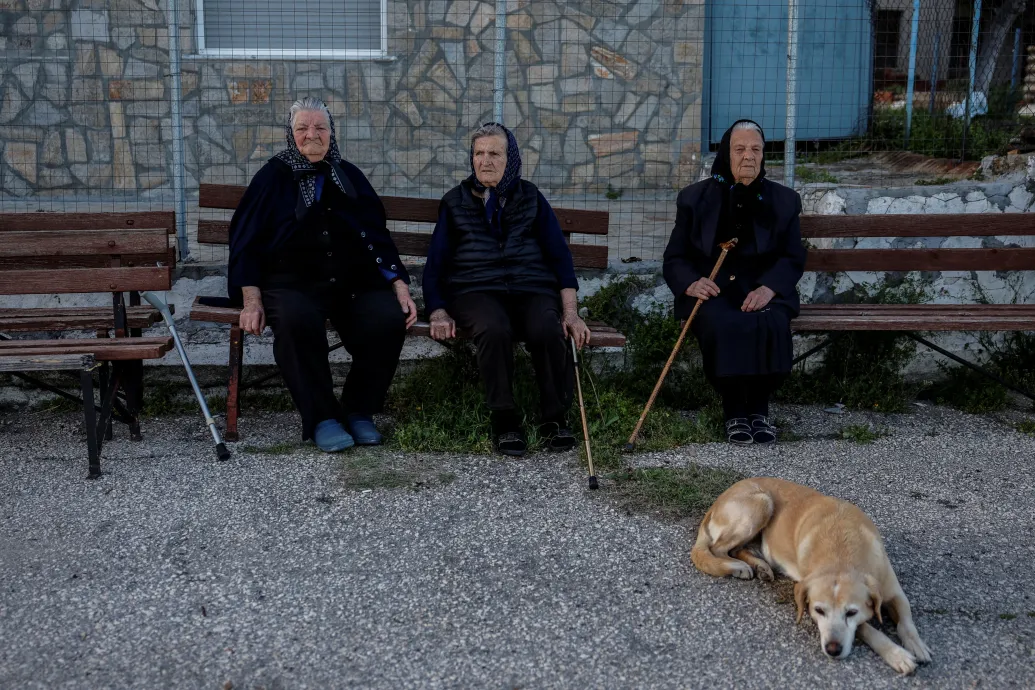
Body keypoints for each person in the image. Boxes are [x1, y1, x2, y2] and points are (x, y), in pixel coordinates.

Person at [227, 97, 417, 452]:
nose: (311, 135)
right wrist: (251, 299)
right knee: (297, 322)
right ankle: (321, 417)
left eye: (320, 128)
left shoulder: (348, 175)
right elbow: (245, 243)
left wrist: (399, 284)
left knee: (389, 319)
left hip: (351, 283)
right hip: (291, 284)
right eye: (302, 128)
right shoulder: (272, 177)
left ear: (332, 133)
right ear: (291, 134)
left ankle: (359, 410)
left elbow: (377, 235)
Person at [422, 122, 591, 456]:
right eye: (479, 153)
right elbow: (435, 265)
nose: (485, 161)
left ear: (510, 158)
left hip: (531, 288)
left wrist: (570, 312)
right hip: (475, 290)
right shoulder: (454, 202)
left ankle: (554, 419)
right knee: (493, 327)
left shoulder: (531, 198)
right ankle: (505, 419)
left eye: (494, 153)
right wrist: (438, 310)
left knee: (546, 327)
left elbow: (560, 258)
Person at [663, 119, 807, 446]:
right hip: (714, 294)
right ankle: (734, 412)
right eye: (740, 149)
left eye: (756, 149)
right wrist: (691, 284)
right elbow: (675, 257)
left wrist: (769, 288)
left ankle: (758, 410)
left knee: (770, 321)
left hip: (763, 291)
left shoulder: (784, 201)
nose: (748, 157)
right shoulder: (694, 199)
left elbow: (792, 256)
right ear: (726, 154)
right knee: (724, 323)